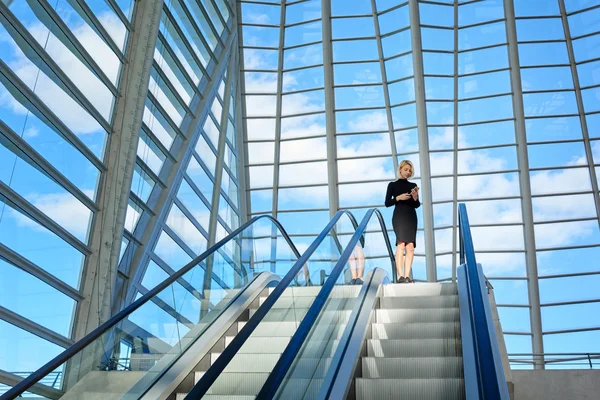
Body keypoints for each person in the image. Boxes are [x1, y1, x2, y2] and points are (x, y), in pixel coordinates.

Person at [385, 160, 420, 283]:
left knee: (410, 246)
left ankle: (406, 276)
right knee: (401, 244)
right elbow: (387, 203)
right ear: (400, 169)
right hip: (399, 216)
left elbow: (416, 205)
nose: (408, 172)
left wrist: (415, 198)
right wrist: (398, 198)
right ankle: (400, 276)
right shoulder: (392, 185)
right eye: (406, 169)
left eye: (410, 170)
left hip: (411, 216)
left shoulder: (413, 185)